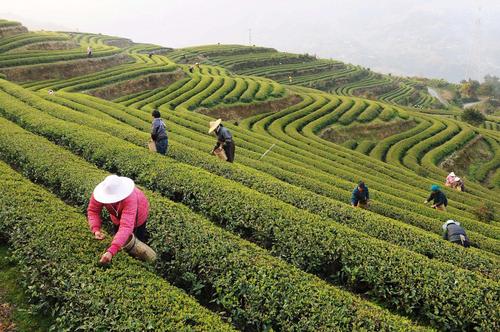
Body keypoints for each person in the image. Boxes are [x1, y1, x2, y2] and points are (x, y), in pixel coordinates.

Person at [87, 175, 150, 264]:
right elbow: (93, 210)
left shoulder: (129, 198)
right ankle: (122, 251)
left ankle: (140, 262)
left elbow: (126, 226)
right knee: (119, 235)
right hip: (116, 215)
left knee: (136, 241)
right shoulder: (100, 193)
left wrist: (111, 251)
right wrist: (96, 230)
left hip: (138, 214)